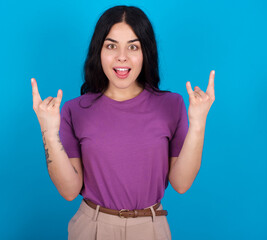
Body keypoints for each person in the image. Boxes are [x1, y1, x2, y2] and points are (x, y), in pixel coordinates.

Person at [31, 5, 215, 240]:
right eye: (111, 46)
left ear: (145, 52)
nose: (122, 57)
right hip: (92, 227)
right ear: (99, 50)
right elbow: (69, 191)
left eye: (133, 46)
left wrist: (198, 123)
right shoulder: (74, 110)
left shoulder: (172, 105)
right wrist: (48, 130)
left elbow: (181, 184)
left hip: (150, 229)